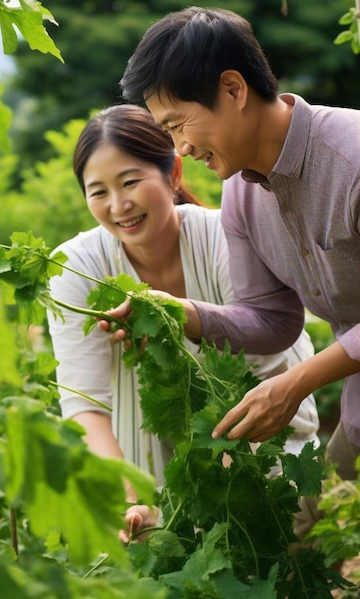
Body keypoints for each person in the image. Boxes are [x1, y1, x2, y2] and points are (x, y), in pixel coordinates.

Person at [104, 6, 360, 538]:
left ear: (233, 89)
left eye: (178, 125)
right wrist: (184, 315)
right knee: (304, 539)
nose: (181, 149)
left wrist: (294, 384)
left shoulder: (351, 159)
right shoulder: (241, 194)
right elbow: (272, 320)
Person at [47, 103, 320, 541]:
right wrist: (127, 495)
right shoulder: (76, 268)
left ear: (173, 173)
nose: (119, 205)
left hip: (260, 428)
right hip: (144, 443)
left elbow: (268, 362)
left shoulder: (225, 236)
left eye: (131, 182)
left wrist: (225, 479)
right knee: (158, 551)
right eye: (98, 192)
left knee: (261, 544)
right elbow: (84, 401)